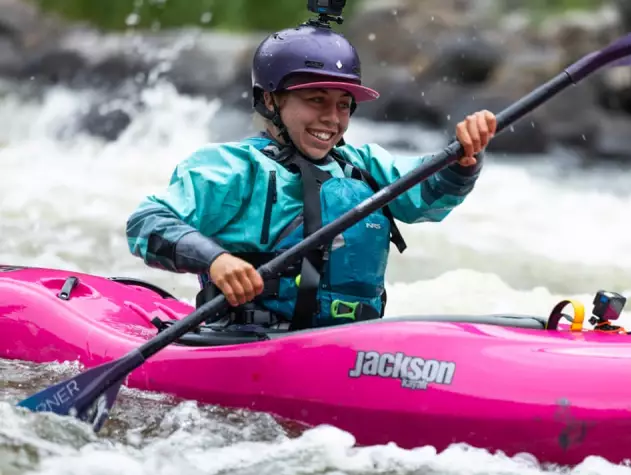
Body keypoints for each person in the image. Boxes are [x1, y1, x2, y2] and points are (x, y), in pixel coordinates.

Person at [126, 21, 496, 331]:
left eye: (343, 105)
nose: (332, 119)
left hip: (347, 346)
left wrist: (464, 156)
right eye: (315, 100)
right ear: (271, 100)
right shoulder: (230, 167)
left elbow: (428, 193)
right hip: (246, 343)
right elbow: (146, 223)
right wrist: (215, 259)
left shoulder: (364, 166)